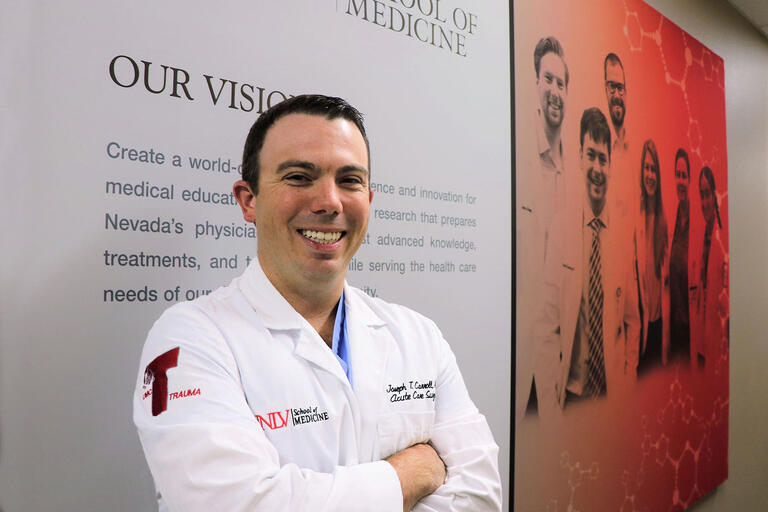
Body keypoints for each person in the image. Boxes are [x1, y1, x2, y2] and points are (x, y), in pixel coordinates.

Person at [133, 95, 502, 511]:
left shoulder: (419, 336)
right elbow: (230, 504)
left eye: (349, 180)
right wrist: (412, 472)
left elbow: (482, 495)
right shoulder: (190, 340)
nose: (330, 202)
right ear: (248, 200)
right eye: (298, 177)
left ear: (369, 199)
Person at [534, 107, 640, 419]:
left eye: (603, 159)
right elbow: (546, 328)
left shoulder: (622, 238)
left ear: (611, 165)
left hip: (611, 400)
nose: (597, 167)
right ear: (580, 156)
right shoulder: (561, 229)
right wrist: (550, 411)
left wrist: (627, 384)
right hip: (571, 400)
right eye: (591, 155)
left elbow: (632, 322)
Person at [517, 35, 569, 421]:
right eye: (548, 79)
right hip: (516, 360)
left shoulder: (571, 174)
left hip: (554, 365)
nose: (554, 90)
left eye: (561, 83)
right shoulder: (519, 158)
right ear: (536, 83)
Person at [634, 140, 670, 375]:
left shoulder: (663, 222)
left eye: (653, 169)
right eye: (646, 168)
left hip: (658, 327)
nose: (649, 175)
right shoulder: (636, 217)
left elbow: (665, 285)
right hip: (640, 328)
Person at [690, 166, 729, 375]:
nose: (705, 202)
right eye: (701, 195)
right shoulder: (702, 237)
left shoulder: (722, 241)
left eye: (708, 194)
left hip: (716, 343)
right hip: (701, 343)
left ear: (715, 195)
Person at [603, 52, 635, 220]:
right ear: (605, 90)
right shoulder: (601, 146)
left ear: (626, 92)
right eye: (612, 87)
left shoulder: (635, 150)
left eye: (620, 88)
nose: (616, 95)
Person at [668, 148, 691, 363]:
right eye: (678, 175)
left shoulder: (696, 223)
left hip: (690, 332)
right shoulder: (673, 217)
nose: (681, 181)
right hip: (673, 329)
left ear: (690, 180)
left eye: (684, 176)